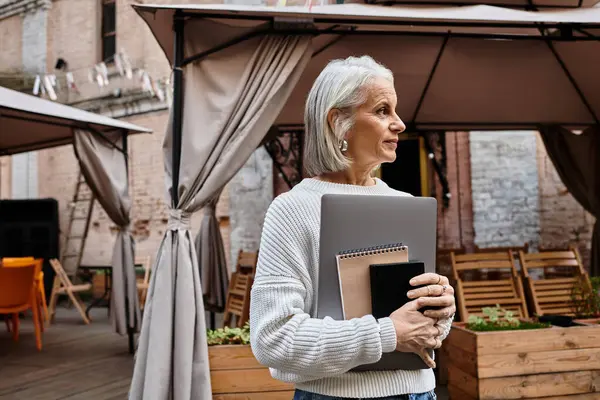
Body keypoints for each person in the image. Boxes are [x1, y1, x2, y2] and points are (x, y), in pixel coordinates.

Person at [249, 55, 456, 400]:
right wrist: (387, 334)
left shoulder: (406, 203)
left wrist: (440, 309)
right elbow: (274, 338)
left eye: (396, 110)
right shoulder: (293, 209)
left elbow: (416, 327)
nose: (400, 124)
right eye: (382, 110)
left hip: (421, 393)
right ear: (337, 122)